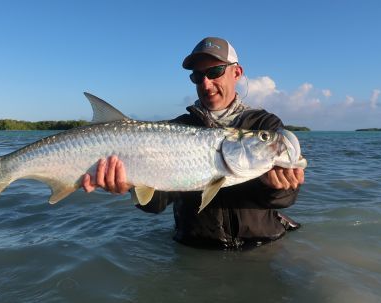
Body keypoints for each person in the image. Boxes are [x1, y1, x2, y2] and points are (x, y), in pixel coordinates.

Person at [82, 37, 305, 249]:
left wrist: (279, 186)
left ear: (236, 72)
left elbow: (286, 198)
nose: (206, 84)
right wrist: (130, 184)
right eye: (197, 76)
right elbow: (156, 204)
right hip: (195, 251)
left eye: (215, 72)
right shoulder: (177, 127)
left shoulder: (263, 124)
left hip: (260, 247)